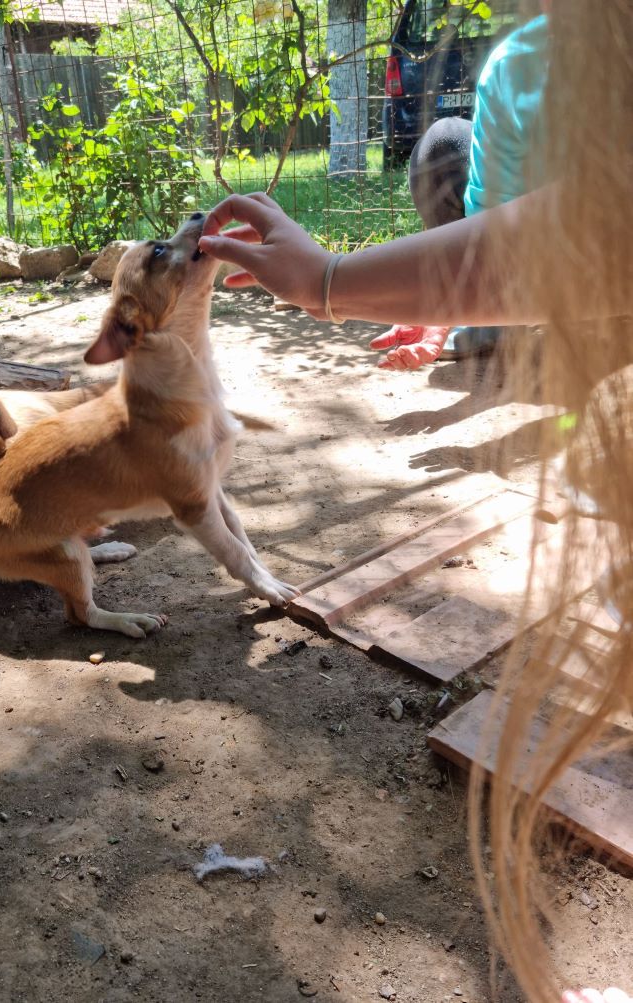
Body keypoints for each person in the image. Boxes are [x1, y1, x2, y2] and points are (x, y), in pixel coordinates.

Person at [199, 3, 632, 999]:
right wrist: (444, 312)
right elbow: (559, 220)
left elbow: (603, 224)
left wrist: (335, 280)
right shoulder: (535, 53)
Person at [372, 4, 551, 370]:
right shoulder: (512, 63)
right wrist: (447, 299)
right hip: (551, 237)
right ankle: (494, 317)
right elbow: (491, 215)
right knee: (442, 143)